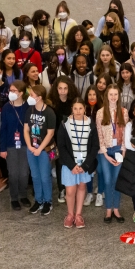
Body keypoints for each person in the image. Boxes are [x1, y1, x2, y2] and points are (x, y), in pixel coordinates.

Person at [56, 98, 99, 229]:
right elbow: (61, 146)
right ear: (72, 109)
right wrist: (71, 165)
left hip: (84, 164)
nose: (78, 111)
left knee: (81, 187)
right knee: (70, 190)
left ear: (84, 109)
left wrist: (85, 165)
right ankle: (70, 214)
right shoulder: (65, 123)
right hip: (70, 164)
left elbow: (94, 146)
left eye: (80, 108)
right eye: (75, 108)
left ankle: (78, 215)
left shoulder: (90, 123)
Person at [95, 84, 129, 223]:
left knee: (116, 181)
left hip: (119, 150)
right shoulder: (100, 113)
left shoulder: (124, 112)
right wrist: (105, 154)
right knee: (108, 180)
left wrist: (123, 151)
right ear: (106, 96)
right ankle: (108, 209)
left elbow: (126, 134)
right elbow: (100, 135)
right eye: (111, 94)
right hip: (106, 151)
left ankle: (116, 209)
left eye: (116, 94)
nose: (113, 97)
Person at [24, 85, 56, 216]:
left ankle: (48, 201)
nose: (30, 97)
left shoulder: (49, 112)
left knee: (44, 176)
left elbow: (50, 134)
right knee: (35, 176)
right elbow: (26, 130)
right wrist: (30, 146)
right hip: (31, 149)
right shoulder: (29, 111)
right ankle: (38, 200)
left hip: (45, 150)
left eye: (32, 95)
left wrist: (40, 149)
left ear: (40, 97)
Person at [0, 81, 31, 210]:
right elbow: (3, 129)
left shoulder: (28, 107)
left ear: (21, 93)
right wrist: (3, 148)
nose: (10, 93)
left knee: (24, 172)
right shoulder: (6, 107)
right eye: (10, 90)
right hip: (10, 144)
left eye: (14, 91)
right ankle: (14, 198)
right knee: (13, 173)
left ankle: (23, 195)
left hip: (25, 144)